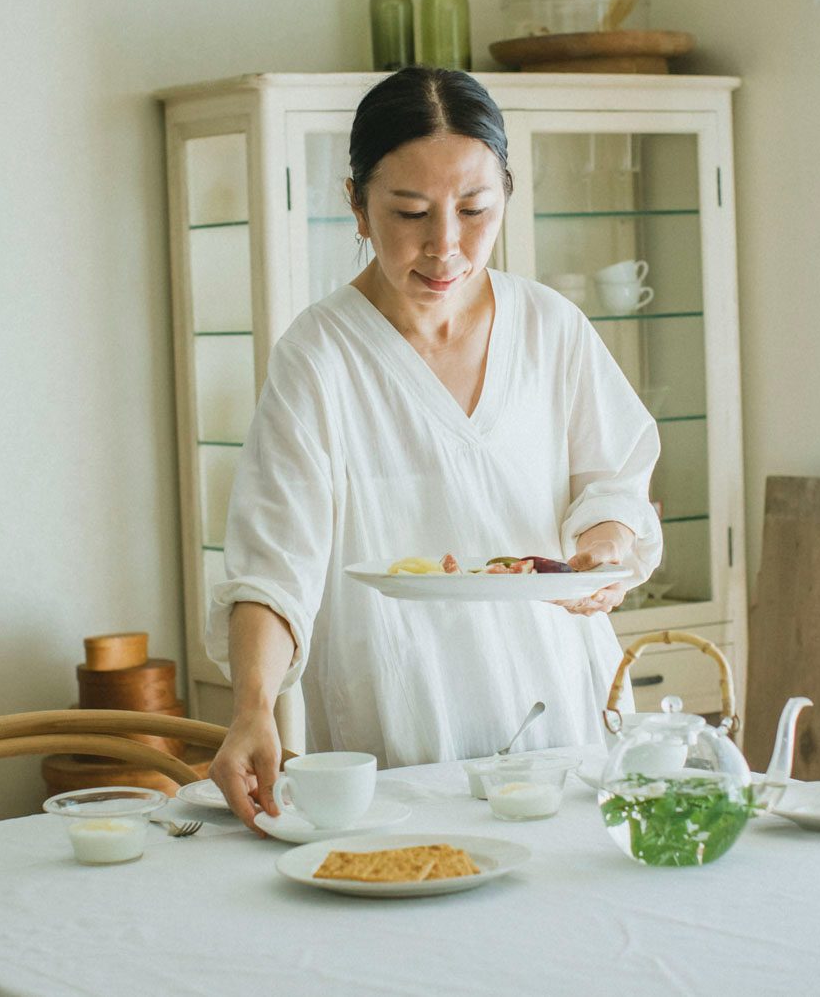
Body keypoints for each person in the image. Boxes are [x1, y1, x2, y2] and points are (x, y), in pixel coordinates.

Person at [207, 67, 662, 831]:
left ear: (508, 195)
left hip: (561, 711)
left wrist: (605, 542)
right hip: (404, 719)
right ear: (355, 202)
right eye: (410, 211)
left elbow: (613, 480)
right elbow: (273, 566)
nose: (445, 247)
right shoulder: (321, 357)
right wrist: (253, 706)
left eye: (476, 209)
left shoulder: (550, 328)